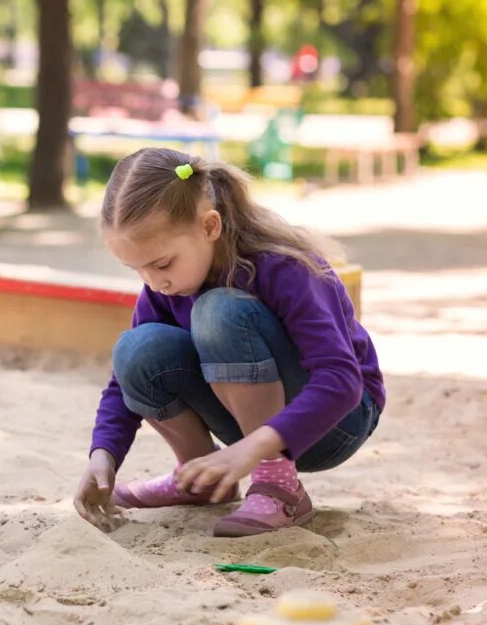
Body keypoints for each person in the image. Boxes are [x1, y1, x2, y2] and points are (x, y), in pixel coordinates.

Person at [74, 148, 384, 537]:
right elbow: (126, 380)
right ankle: (201, 479)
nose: (154, 282)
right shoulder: (163, 287)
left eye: (162, 264)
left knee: (218, 311)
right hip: (249, 431)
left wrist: (256, 449)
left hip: (336, 423)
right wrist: (104, 456)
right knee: (136, 347)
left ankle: (278, 484)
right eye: (136, 269)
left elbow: (342, 382)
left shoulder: (284, 267)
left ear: (209, 227)